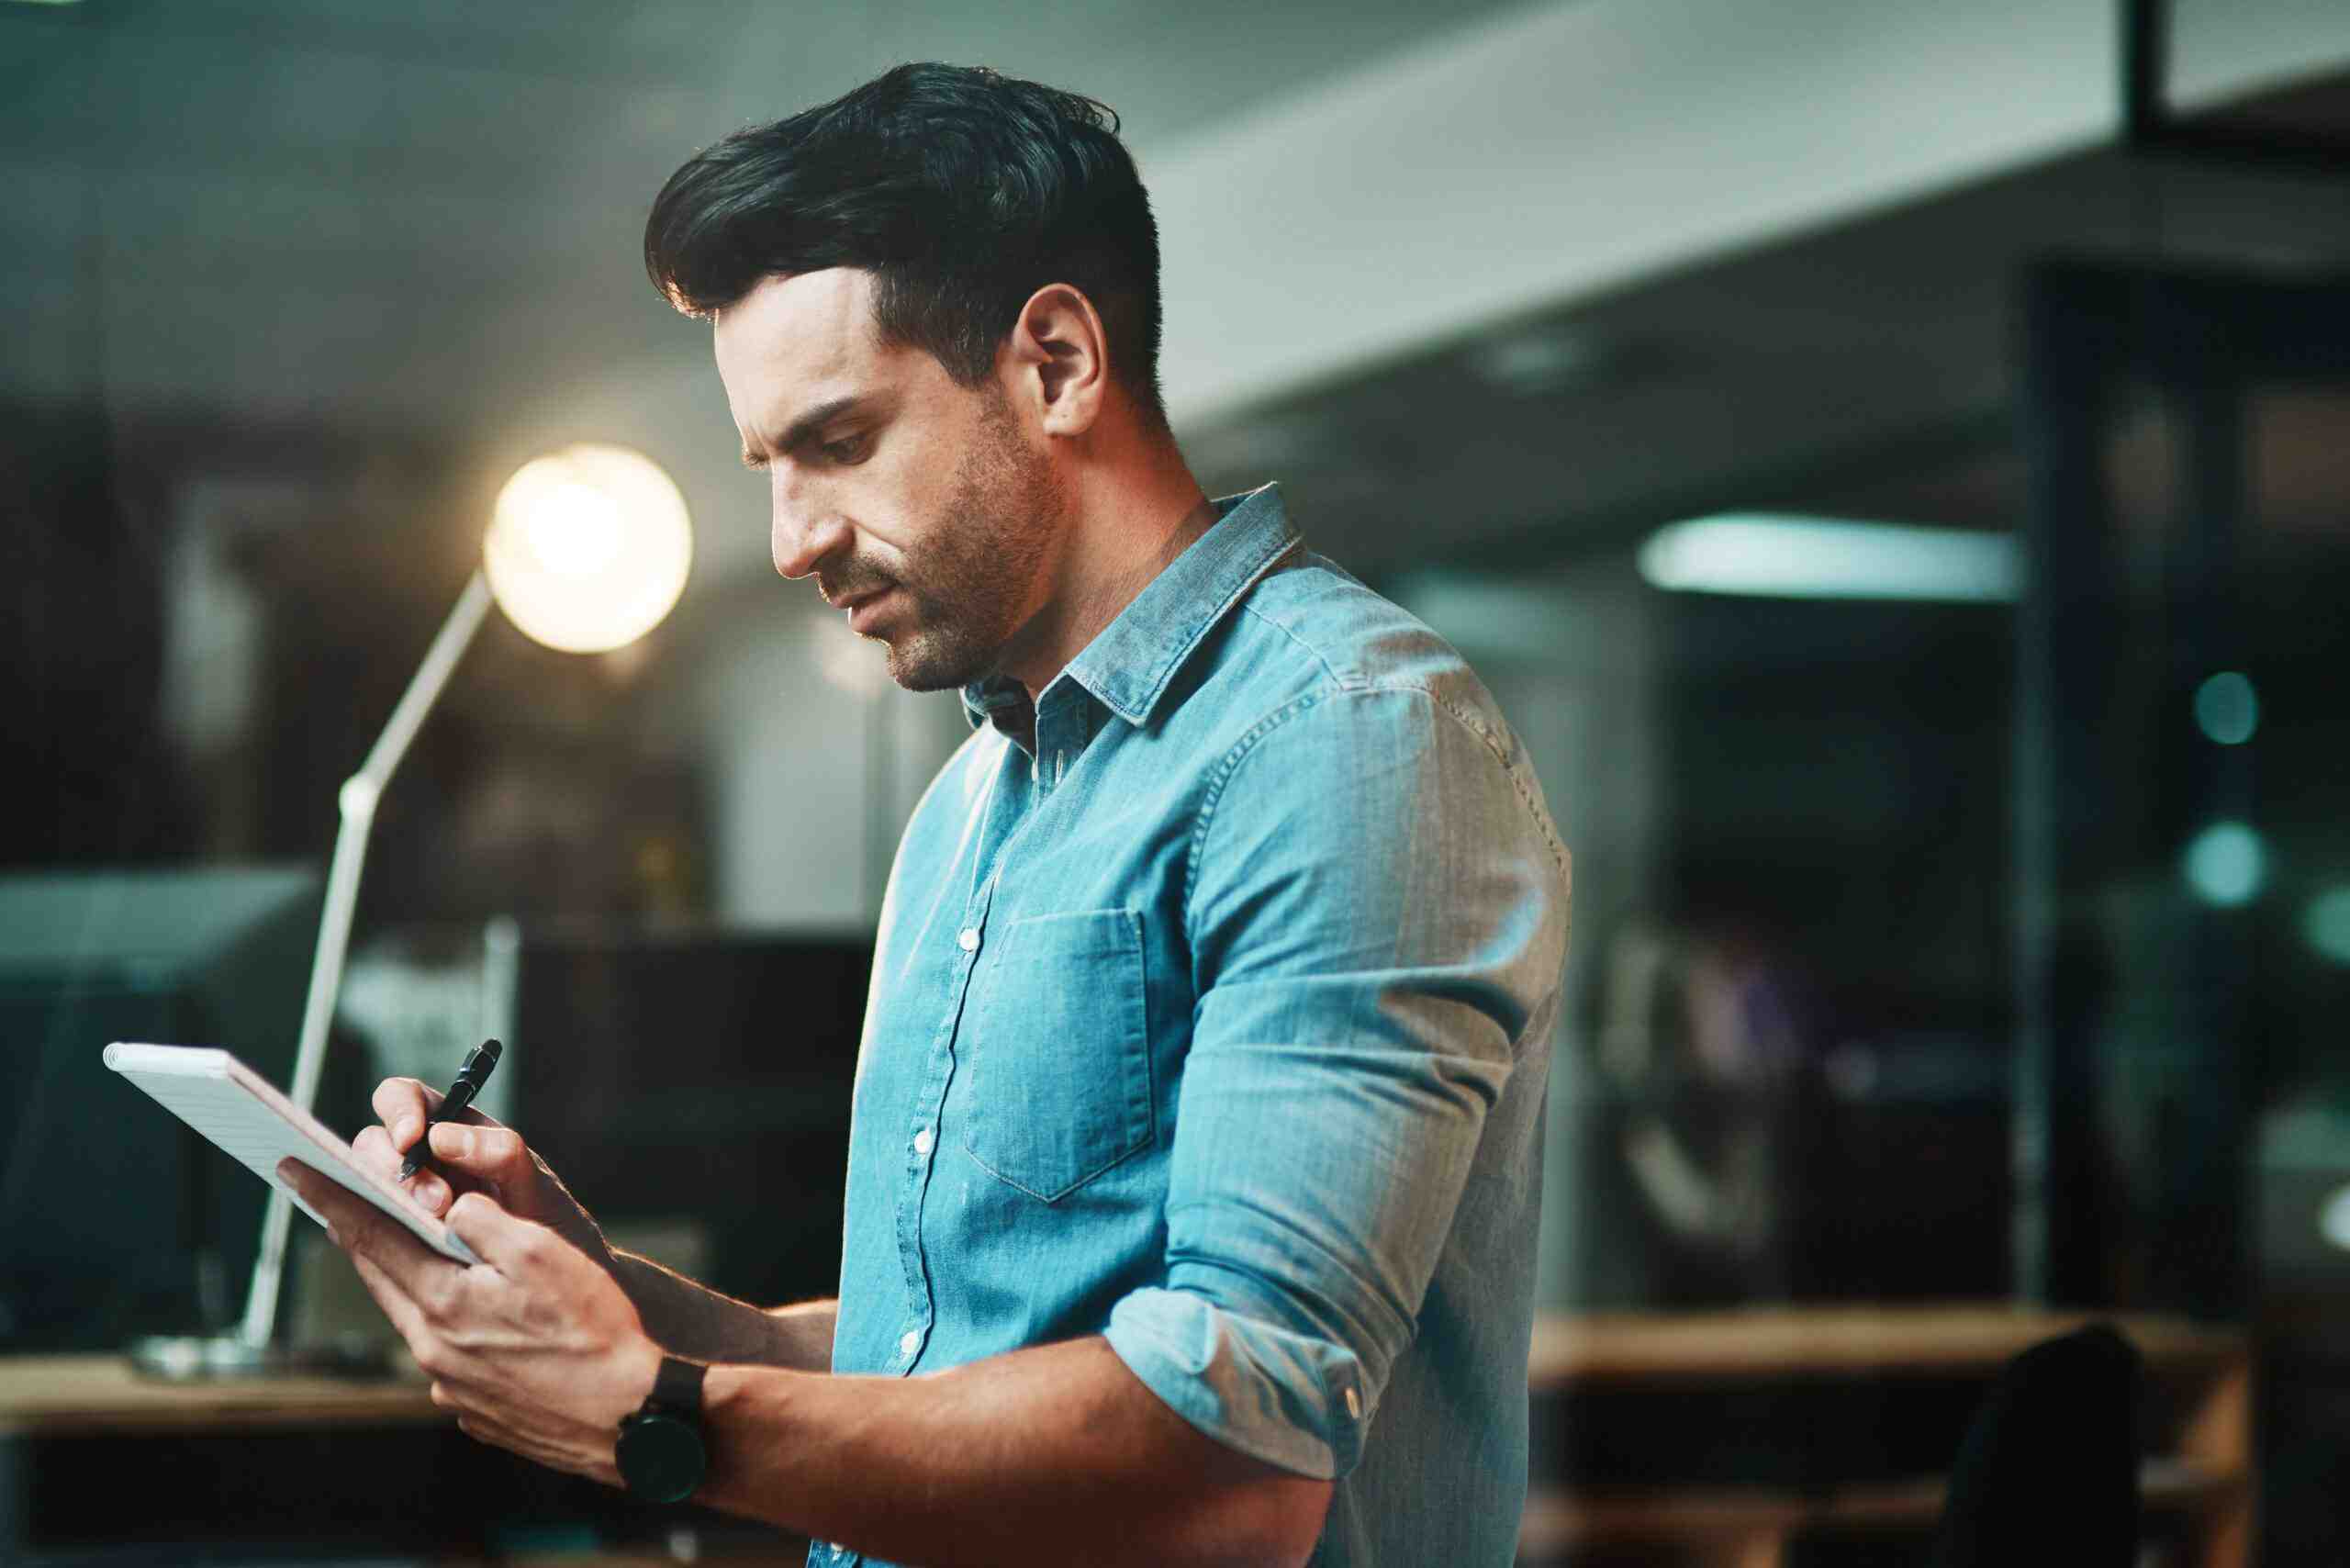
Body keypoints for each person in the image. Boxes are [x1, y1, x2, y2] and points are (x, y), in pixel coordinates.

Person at [283, 62, 1570, 1567]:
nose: (787, 543)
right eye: (767, 467)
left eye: (837, 442)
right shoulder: (974, 802)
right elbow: (939, 1361)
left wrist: (654, 1411)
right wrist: (613, 1301)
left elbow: (1238, 1466)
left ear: (1059, 365)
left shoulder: (1346, 738)